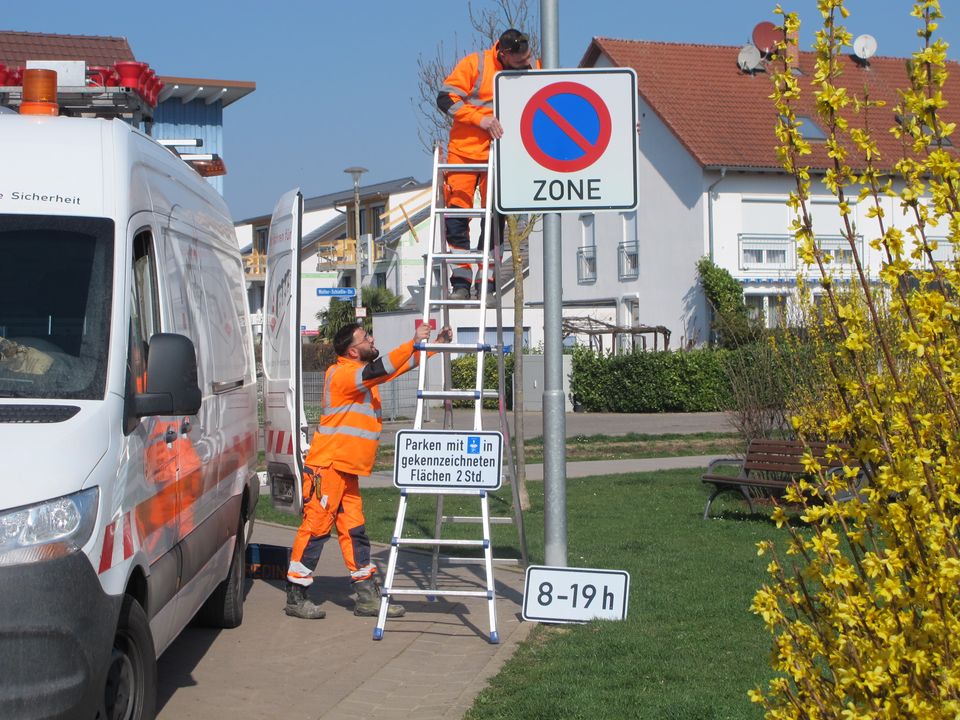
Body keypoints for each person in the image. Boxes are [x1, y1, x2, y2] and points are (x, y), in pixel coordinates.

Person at [284, 321, 453, 619]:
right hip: (328, 467)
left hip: (344, 468)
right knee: (316, 529)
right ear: (352, 350)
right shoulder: (343, 374)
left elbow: (394, 368)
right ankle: (296, 595)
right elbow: (381, 369)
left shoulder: (360, 376)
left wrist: (434, 345)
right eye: (366, 338)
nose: (372, 339)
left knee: (354, 530)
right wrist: (411, 340)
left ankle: (365, 595)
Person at [437, 28, 536, 300]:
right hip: (465, 153)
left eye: (528, 58)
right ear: (503, 54)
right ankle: (461, 280)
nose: (525, 65)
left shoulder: (532, 67)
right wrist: (479, 119)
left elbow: (559, 97)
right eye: (519, 62)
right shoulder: (475, 64)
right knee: (456, 218)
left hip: (501, 154)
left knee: (494, 220)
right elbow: (445, 99)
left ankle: (487, 281)